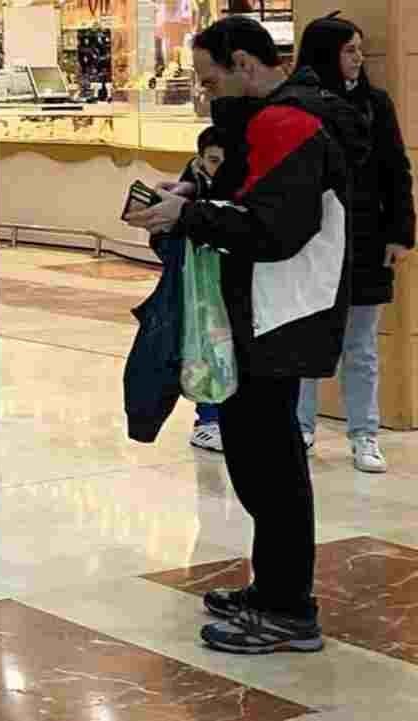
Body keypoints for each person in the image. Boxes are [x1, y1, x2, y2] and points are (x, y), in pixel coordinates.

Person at [127, 16, 368, 654]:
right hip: (272, 312)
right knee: (260, 459)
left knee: (270, 465)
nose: (206, 95)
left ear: (243, 62)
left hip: (277, 314)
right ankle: (273, 590)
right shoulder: (276, 119)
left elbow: (272, 229)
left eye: (210, 80)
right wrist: (195, 192)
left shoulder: (286, 122)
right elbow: (254, 199)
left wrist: (191, 214)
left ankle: (289, 609)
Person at [293, 14, 415, 472]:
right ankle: (300, 427)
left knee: (361, 346)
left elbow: (395, 172)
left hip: (366, 242)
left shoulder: (375, 105)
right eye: (350, 50)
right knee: (306, 340)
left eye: (361, 50)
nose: (359, 59)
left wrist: (402, 232)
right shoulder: (300, 105)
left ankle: (364, 433)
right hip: (313, 243)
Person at [186, 127, 229, 454]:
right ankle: (206, 419)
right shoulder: (190, 187)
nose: (219, 168)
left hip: (230, 278)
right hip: (200, 282)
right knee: (205, 346)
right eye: (213, 160)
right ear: (201, 159)